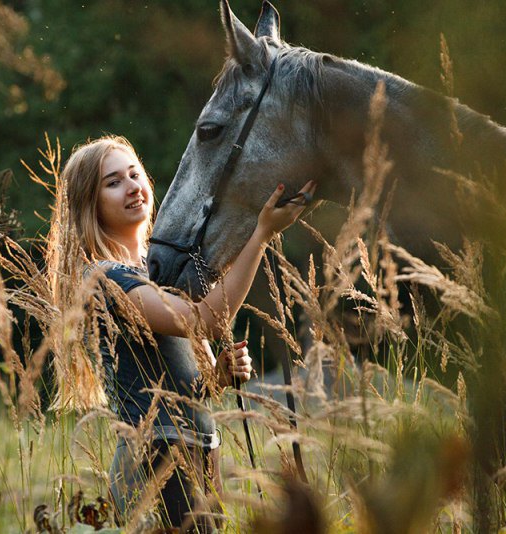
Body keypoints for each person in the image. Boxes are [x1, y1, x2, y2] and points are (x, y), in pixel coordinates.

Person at [51, 135, 314, 532]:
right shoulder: (105, 277)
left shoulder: (158, 272)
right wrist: (261, 234)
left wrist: (221, 374)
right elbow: (206, 321)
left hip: (195, 449)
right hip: (156, 455)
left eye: (134, 174)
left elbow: (195, 383)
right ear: (90, 203)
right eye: (113, 182)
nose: (132, 187)